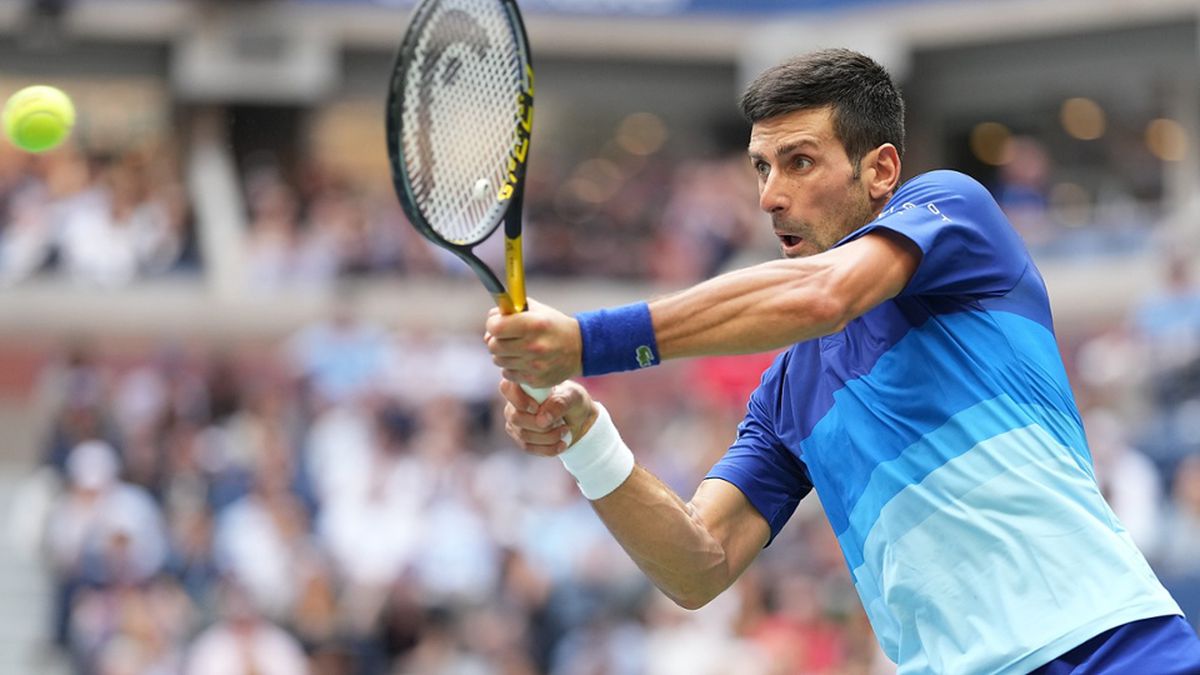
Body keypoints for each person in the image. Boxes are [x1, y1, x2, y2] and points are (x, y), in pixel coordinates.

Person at [484, 49, 1200, 674]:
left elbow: (824, 295)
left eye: (799, 162)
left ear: (880, 169)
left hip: (1111, 645)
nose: (770, 196)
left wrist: (590, 341)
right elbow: (699, 564)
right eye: (761, 168)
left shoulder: (955, 212)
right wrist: (586, 439)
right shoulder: (787, 393)